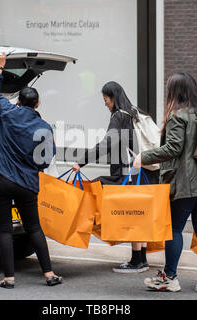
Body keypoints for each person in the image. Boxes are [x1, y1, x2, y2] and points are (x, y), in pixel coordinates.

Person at [133, 73, 197, 295]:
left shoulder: (177, 116)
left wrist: (144, 157)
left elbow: (173, 149)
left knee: (174, 229)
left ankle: (170, 277)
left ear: (175, 93)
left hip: (187, 184)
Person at [0, 53, 62, 289]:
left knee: (4, 230)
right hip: (26, 183)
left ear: (18, 102)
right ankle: (49, 274)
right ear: (37, 104)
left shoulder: (6, 112)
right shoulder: (44, 128)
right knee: (34, 227)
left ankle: (9, 278)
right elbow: (46, 160)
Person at [72, 81, 159, 273]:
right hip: (147, 171)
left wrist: (81, 162)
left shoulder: (119, 116)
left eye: (106, 99)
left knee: (130, 213)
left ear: (113, 98)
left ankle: (136, 261)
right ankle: (141, 258)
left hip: (130, 172)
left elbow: (106, 144)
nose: (105, 104)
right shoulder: (137, 112)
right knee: (140, 214)